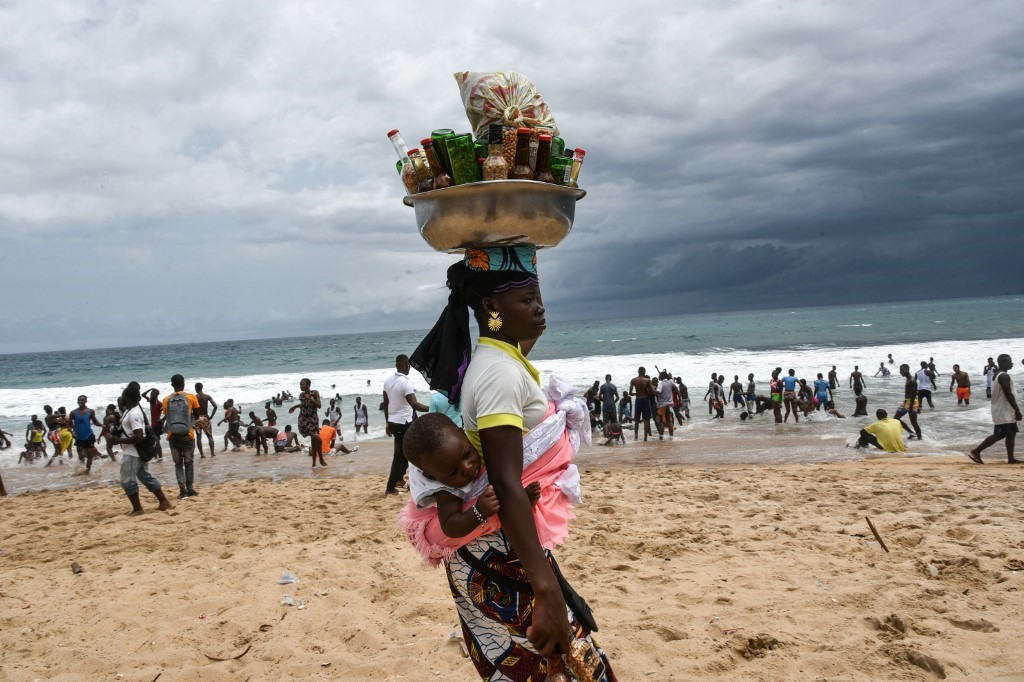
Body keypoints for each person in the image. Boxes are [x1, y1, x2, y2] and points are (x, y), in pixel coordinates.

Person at [405, 246, 615, 679]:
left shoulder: (501, 357)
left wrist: (518, 275)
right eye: (526, 300)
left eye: (539, 296)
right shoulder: (498, 372)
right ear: (490, 307)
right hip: (499, 554)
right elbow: (504, 481)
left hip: (494, 550)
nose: (539, 309)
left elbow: (518, 335)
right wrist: (546, 590)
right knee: (574, 669)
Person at [402, 413, 541, 538]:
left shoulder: (473, 442)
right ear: (433, 477)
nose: (467, 467)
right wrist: (479, 511)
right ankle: (521, 504)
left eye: (467, 454)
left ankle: (520, 502)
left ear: (465, 435)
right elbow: (450, 527)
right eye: (453, 472)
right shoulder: (446, 491)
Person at [112, 383, 173, 515]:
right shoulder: (130, 410)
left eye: (123, 396)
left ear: (127, 398)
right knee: (146, 477)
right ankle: (164, 502)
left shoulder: (134, 414)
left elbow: (139, 436)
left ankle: (138, 509)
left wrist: (119, 441)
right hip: (136, 451)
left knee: (127, 481)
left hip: (133, 452)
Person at [383, 355, 429, 494]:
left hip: (394, 422)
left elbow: (386, 404)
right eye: (409, 365)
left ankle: (400, 480)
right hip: (404, 424)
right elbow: (414, 403)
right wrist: (432, 407)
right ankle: (391, 487)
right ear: (406, 365)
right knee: (402, 455)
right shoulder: (406, 383)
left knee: (403, 453)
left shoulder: (388, 381)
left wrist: (387, 422)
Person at [967, 354, 1021, 464]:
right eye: (1010, 361)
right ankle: (976, 451)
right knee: (999, 434)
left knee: (1011, 432)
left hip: (1003, 409)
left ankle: (1011, 458)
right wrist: (1017, 409)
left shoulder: (998, 374)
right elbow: (1008, 394)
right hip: (1004, 410)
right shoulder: (1003, 376)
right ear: (1003, 362)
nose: (1012, 363)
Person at [162, 374, 202, 499]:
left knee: (178, 464)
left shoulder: (166, 399)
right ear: (184, 383)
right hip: (188, 435)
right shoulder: (191, 397)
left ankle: (182, 491)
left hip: (172, 435)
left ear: (171, 384)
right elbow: (196, 415)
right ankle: (190, 489)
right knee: (189, 463)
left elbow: (167, 415)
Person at [289, 378, 325, 467]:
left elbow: (319, 405)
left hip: (314, 420)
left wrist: (311, 399)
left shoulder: (315, 393)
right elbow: (303, 405)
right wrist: (294, 407)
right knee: (318, 440)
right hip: (304, 421)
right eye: (300, 384)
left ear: (308, 385)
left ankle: (314, 463)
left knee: (314, 441)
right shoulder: (301, 395)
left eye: (302, 384)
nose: (301, 386)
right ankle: (321, 459)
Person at [70, 395, 107, 473]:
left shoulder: (90, 411)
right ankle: (81, 470)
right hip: (79, 437)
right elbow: (69, 424)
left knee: (90, 455)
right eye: (78, 400)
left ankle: (87, 471)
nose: (80, 401)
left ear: (86, 401)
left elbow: (95, 421)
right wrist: (72, 431)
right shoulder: (73, 412)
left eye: (82, 400)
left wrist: (101, 425)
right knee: (81, 455)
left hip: (89, 436)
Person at [896, 364, 922, 440]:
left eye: (902, 370)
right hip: (908, 401)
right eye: (900, 370)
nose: (901, 372)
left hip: (911, 402)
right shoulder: (909, 379)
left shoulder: (912, 381)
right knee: (896, 419)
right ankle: (912, 433)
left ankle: (920, 438)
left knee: (914, 422)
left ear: (907, 369)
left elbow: (914, 395)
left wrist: (911, 408)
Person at [629, 367, 655, 441]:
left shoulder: (633, 380)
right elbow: (652, 391)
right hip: (646, 399)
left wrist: (636, 393)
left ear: (638, 371)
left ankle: (636, 437)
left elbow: (630, 393)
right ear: (644, 372)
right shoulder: (647, 380)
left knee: (637, 419)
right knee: (646, 419)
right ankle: (645, 438)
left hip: (638, 399)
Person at [194, 383, 218, 457]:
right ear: (202, 387)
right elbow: (215, 406)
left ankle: (202, 455)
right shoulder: (207, 397)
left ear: (196, 388)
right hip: (205, 417)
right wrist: (211, 416)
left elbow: (191, 409)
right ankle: (212, 453)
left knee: (198, 437)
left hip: (197, 418)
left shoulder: (194, 397)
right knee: (209, 436)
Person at [141, 388, 164, 462]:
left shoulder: (159, 403)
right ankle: (155, 457)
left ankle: (160, 458)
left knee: (156, 441)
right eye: (151, 394)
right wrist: (150, 389)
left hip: (157, 425)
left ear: (156, 395)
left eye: (152, 394)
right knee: (153, 441)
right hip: (152, 425)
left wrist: (162, 420)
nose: (151, 395)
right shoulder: (151, 401)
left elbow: (167, 411)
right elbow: (143, 394)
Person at [656, 370, 675, 437]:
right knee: (669, 421)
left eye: (659, 375)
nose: (658, 376)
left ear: (662, 376)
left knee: (661, 421)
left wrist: (652, 391)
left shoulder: (660, 384)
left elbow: (658, 392)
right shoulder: (670, 382)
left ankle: (661, 437)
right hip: (669, 404)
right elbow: (674, 386)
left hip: (662, 405)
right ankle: (671, 436)